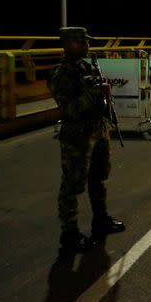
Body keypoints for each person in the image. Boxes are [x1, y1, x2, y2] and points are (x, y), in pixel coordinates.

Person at [47, 27, 125, 252]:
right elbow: (69, 109)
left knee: (98, 178)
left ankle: (100, 220)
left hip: (97, 130)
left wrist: (103, 92)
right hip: (77, 136)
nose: (87, 46)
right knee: (72, 185)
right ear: (69, 44)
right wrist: (94, 92)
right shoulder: (60, 74)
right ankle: (69, 234)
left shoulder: (87, 67)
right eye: (82, 42)